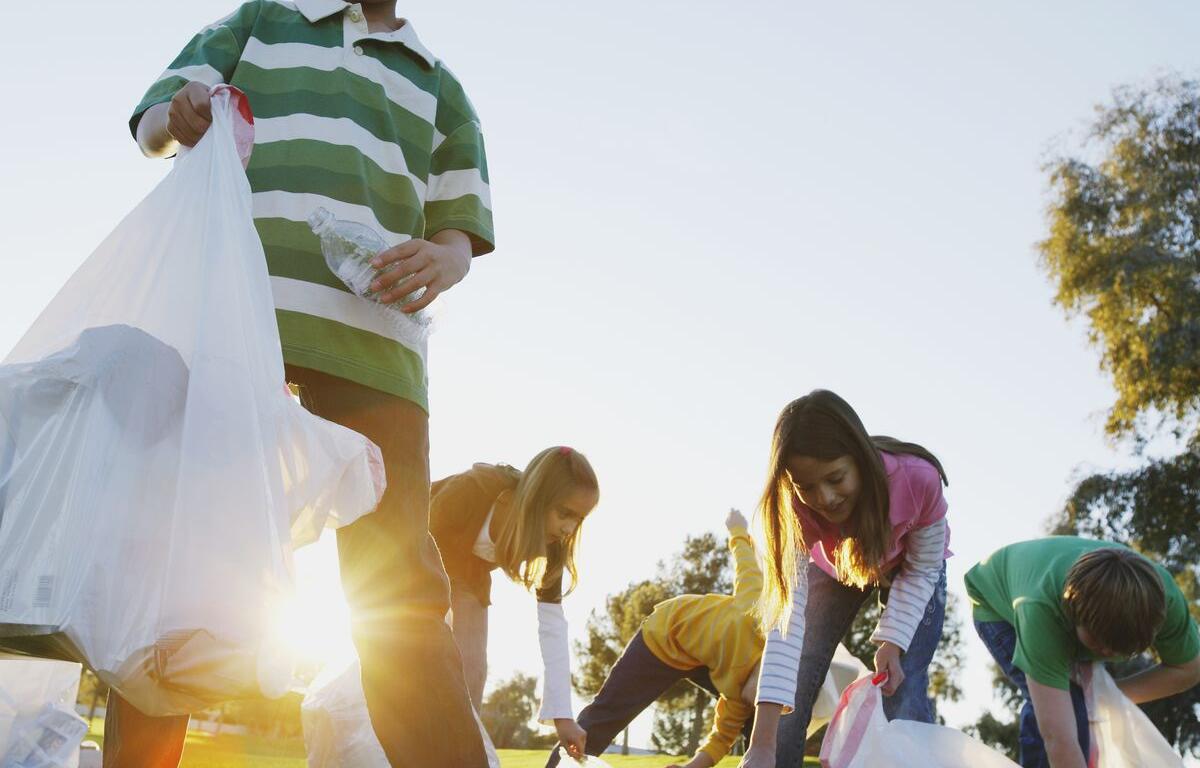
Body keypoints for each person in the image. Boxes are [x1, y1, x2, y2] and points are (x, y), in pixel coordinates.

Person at [116, 2, 496, 766]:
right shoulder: (262, 21)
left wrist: (444, 260)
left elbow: (457, 234)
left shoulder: (440, 86)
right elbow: (154, 123)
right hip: (232, 326)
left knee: (398, 601)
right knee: (179, 579)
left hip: (375, 353)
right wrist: (177, 116)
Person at [741, 389, 950, 768]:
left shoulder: (917, 479)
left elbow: (922, 568)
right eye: (806, 487)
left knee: (903, 686)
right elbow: (787, 626)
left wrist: (893, 641)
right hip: (835, 565)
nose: (824, 498)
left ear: (860, 456)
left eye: (836, 478)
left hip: (911, 570)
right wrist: (762, 744)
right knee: (801, 666)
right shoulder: (792, 515)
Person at [545, 508, 762, 768]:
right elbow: (747, 565)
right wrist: (737, 528)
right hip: (663, 637)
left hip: (701, 659)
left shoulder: (739, 696)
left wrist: (690, 767)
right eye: (760, 695)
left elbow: (722, 737)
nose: (755, 701)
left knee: (757, 723)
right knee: (607, 714)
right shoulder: (757, 614)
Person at [966, 536, 1200, 768]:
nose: (1107, 652)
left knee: (1083, 706)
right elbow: (1059, 739)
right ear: (1074, 615)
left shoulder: (1164, 601)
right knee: (1070, 712)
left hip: (1054, 592)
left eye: (1121, 650)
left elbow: (1189, 669)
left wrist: (1109, 696)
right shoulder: (1040, 612)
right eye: (1099, 643)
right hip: (995, 602)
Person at [431, 447, 599, 759]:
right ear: (536, 498)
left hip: (469, 579)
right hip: (415, 560)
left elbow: (552, 625)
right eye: (564, 514)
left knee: (471, 674)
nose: (569, 529)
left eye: (578, 519)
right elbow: (411, 534)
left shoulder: (554, 549)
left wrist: (563, 718)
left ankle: (455, 759)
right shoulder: (476, 488)